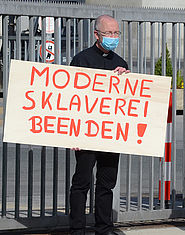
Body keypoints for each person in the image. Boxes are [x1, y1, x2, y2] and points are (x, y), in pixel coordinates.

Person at [69, 15, 129, 235]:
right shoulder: (81, 60)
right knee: (81, 183)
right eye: (108, 33)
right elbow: (71, 99)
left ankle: (104, 229)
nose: (113, 38)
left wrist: (127, 80)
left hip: (111, 135)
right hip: (86, 134)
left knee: (106, 184)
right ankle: (77, 229)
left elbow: (128, 101)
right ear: (96, 34)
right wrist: (74, 133)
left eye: (116, 33)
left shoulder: (121, 63)